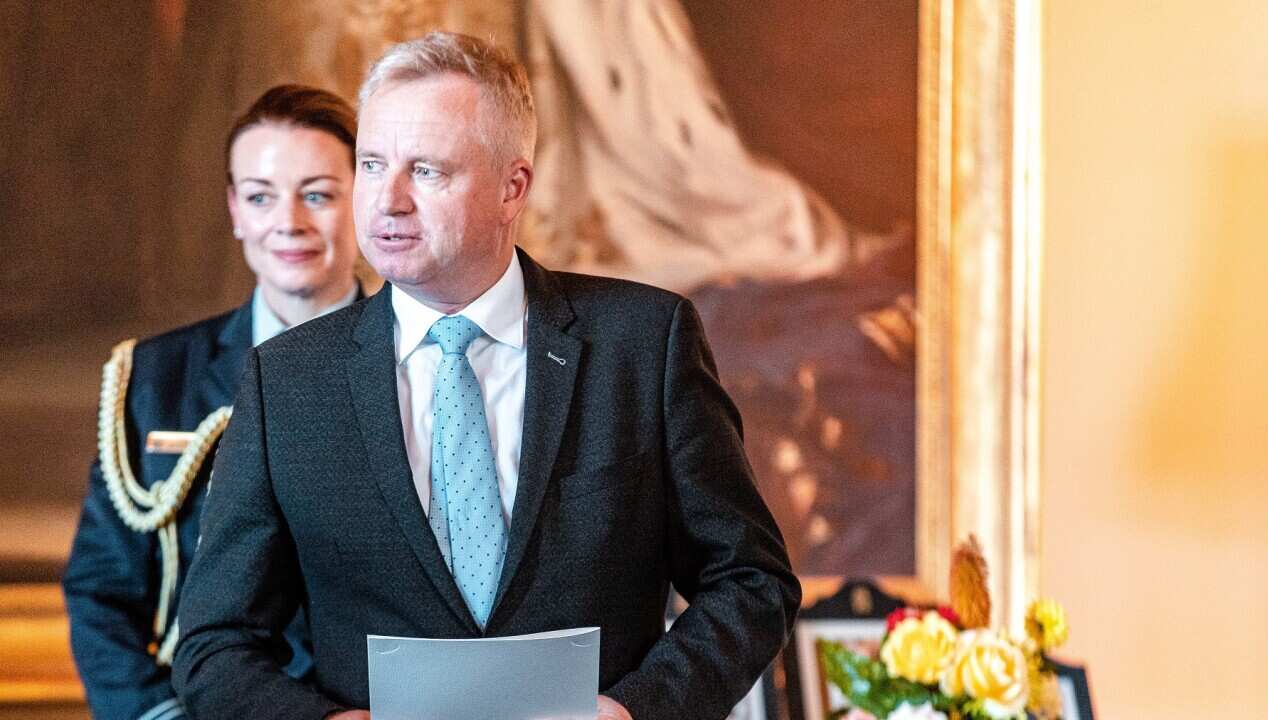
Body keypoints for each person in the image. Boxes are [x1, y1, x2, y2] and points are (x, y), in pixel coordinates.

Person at [172, 33, 799, 720]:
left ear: (512, 187)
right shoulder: (286, 381)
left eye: (428, 172)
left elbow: (750, 579)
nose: (388, 201)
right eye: (373, 164)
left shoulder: (644, 345)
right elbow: (215, 645)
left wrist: (635, 710)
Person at [62, 84, 365, 720]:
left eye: (318, 194)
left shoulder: (420, 365)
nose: (290, 222)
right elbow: (102, 590)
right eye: (261, 196)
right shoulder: (153, 376)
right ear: (234, 209)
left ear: (362, 200)